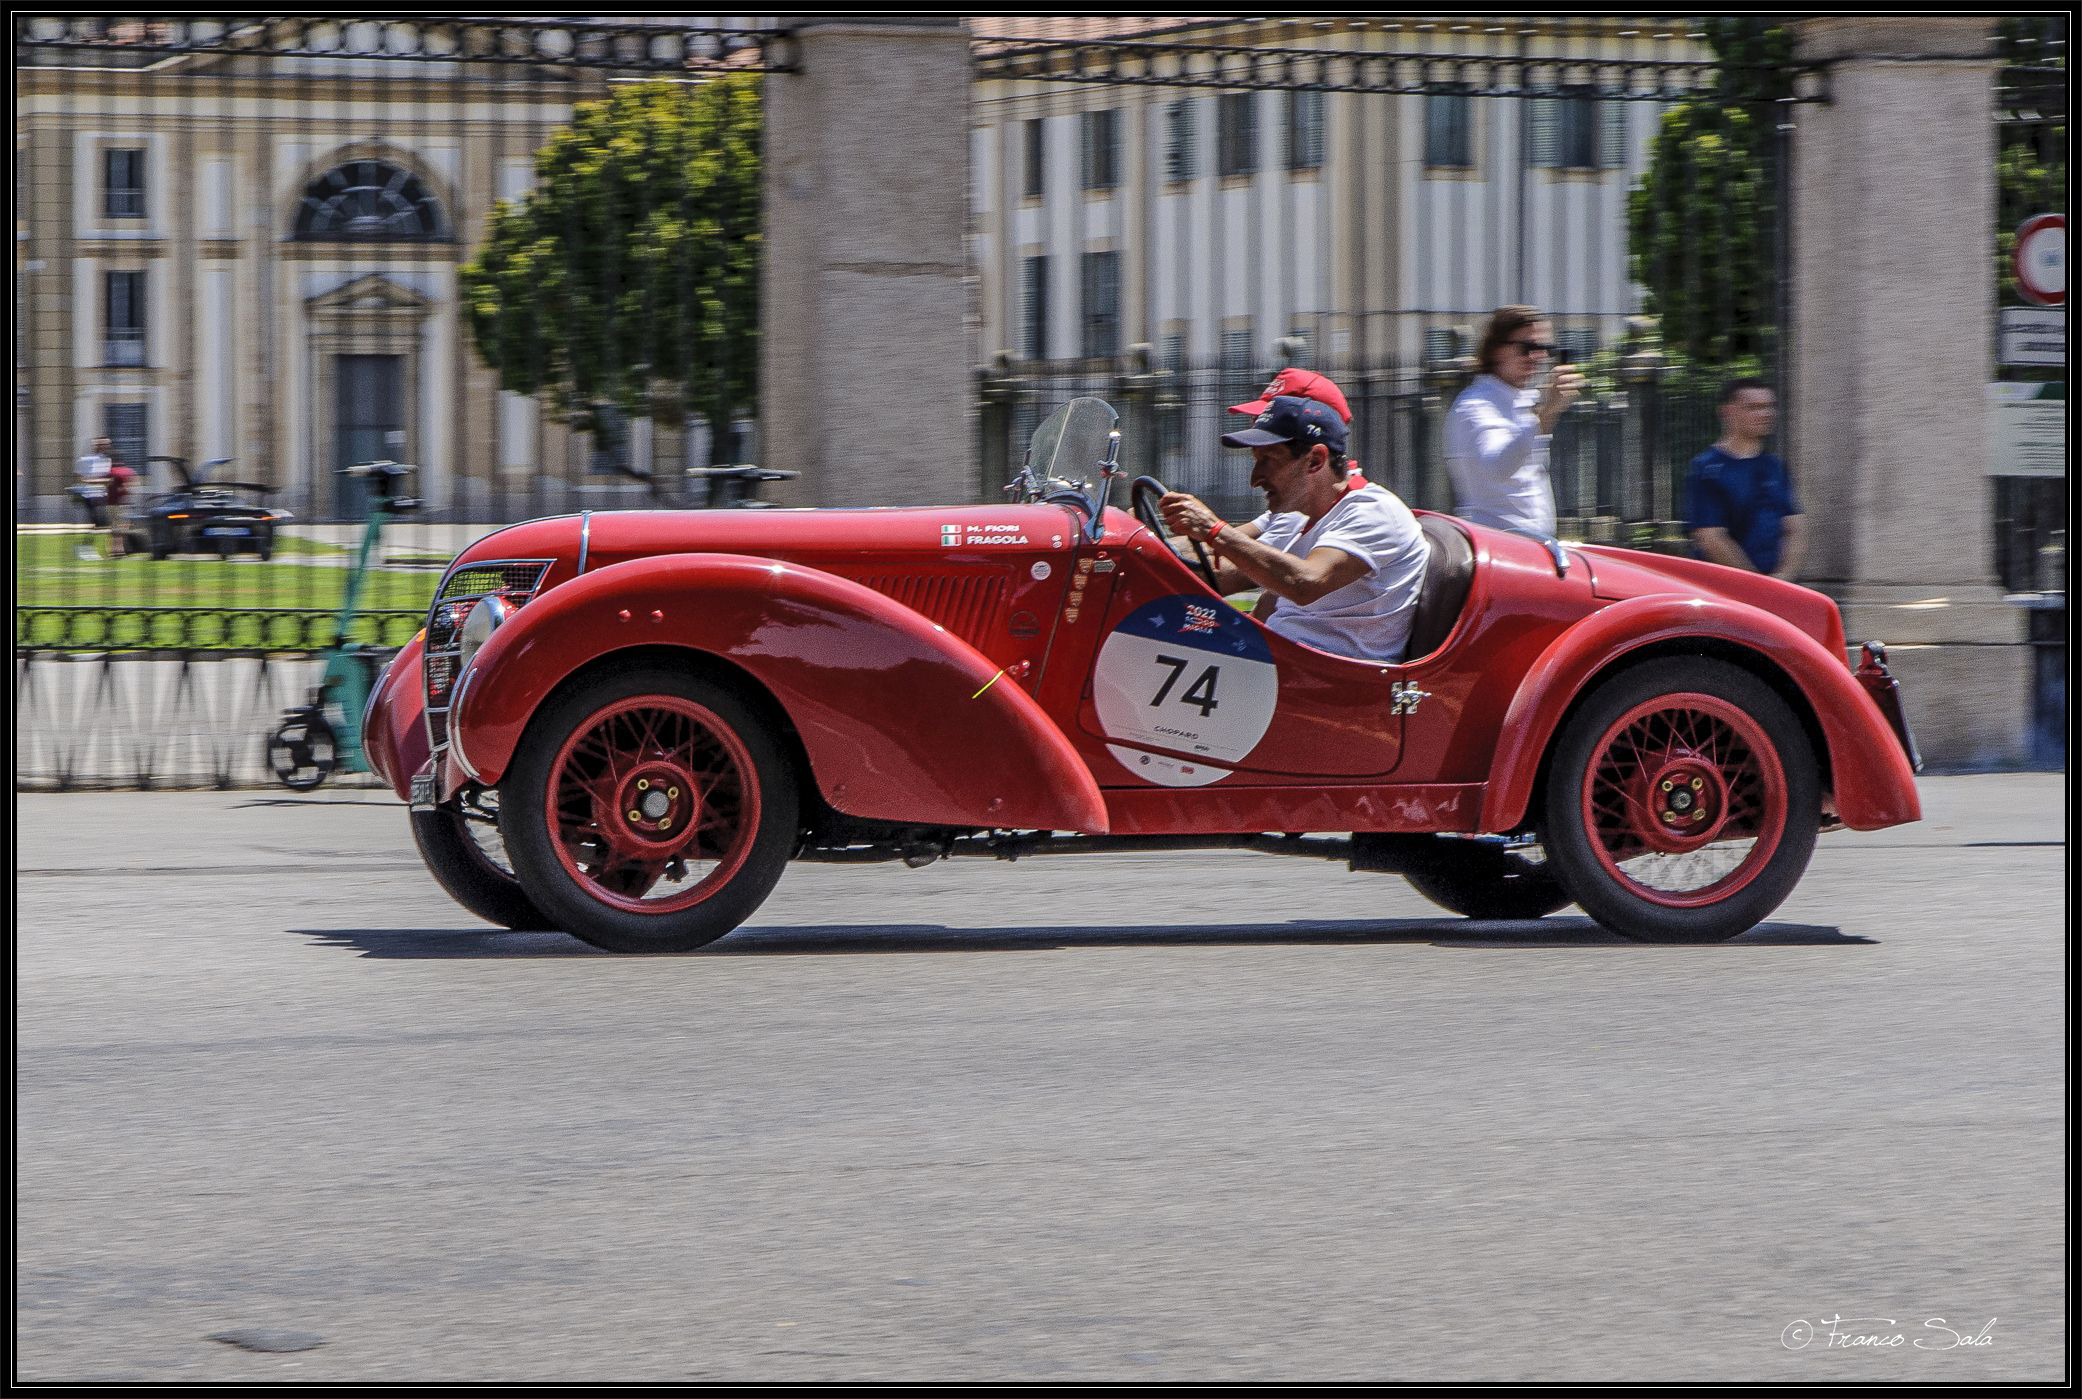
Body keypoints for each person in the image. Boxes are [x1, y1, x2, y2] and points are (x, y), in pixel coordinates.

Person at [1159, 395, 1431, 664]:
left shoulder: (1373, 510)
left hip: (1329, 682)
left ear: (1315, 460)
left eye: (1268, 460)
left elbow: (1305, 583)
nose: (1255, 479)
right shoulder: (1299, 515)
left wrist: (1214, 529)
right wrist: (1146, 539)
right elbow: (1257, 593)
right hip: (1284, 666)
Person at [1443, 305, 1584, 538]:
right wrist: (1545, 416)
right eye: (1528, 348)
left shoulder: (1524, 399)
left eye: (1544, 349)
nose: (1538, 357)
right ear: (1497, 349)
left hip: (1532, 548)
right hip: (1498, 550)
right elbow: (1498, 468)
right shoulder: (1474, 406)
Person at [1687, 378, 1805, 580]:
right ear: (1727, 412)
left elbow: (1795, 528)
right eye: (1754, 407)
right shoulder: (1706, 468)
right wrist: (1756, 583)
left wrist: (1784, 578)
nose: (1766, 414)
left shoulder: (1774, 466)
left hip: (1776, 588)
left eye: (1770, 407)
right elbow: (1710, 537)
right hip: (1725, 591)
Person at [70, 436, 114, 561]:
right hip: (87, 495)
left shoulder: (106, 460)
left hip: (101, 495)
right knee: (97, 521)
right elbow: (80, 478)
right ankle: (84, 547)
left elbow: (107, 479)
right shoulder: (85, 460)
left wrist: (103, 482)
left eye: (107, 445)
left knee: (101, 523)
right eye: (103, 444)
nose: (106, 447)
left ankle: (86, 546)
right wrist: (98, 481)